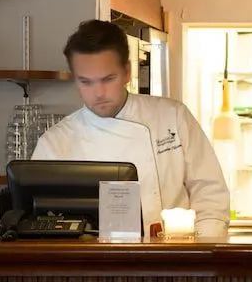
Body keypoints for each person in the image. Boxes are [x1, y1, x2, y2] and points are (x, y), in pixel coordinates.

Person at [32, 19, 230, 238]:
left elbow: (210, 194)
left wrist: (202, 247)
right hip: (91, 257)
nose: (99, 93)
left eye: (108, 79)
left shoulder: (172, 116)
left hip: (174, 253)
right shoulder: (54, 144)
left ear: (127, 71)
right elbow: (39, 223)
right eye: (86, 82)